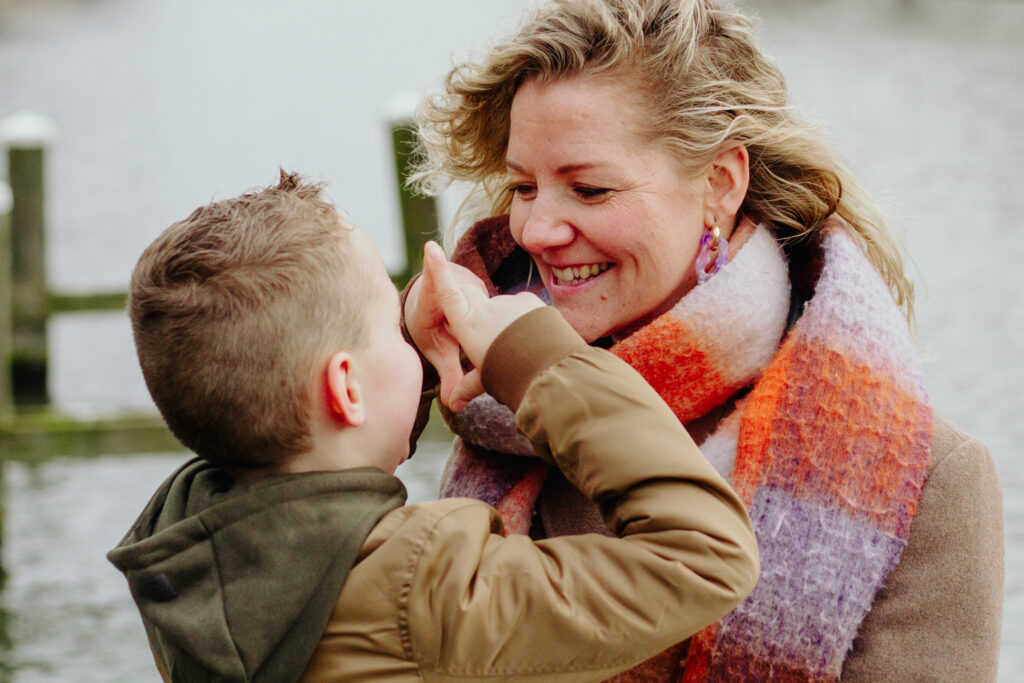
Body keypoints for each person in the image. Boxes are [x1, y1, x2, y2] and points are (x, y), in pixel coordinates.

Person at [403, 0, 1005, 680]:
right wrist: (402, 350)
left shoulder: (926, 480)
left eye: (590, 188)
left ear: (720, 184)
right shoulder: (491, 397)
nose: (537, 230)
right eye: (523, 186)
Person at [107, 171, 759, 682]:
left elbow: (324, 443)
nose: (406, 327)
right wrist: (538, 359)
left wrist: (404, 352)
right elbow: (704, 556)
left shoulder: (182, 545)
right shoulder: (426, 588)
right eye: (391, 326)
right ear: (344, 387)